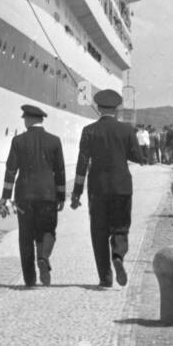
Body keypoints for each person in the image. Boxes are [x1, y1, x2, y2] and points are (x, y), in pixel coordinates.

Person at [71, 88, 144, 288]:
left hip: (97, 188)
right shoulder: (127, 130)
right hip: (122, 186)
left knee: (99, 231)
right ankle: (118, 255)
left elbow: (81, 165)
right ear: (117, 109)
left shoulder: (89, 131)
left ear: (98, 107)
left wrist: (76, 193)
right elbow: (138, 156)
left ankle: (105, 277)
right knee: (120, 226)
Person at [0, 104, 66, 287]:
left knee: (25, 236)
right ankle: (43, 257)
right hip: (47, 195)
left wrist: (5, 197)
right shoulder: (54, 141)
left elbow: (11, 170)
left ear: (28, 120)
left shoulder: (18, 141)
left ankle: (30, 279)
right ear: (41, 120)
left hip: (24, 196)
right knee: (48, 230)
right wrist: (61, 196)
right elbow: (60, 171)